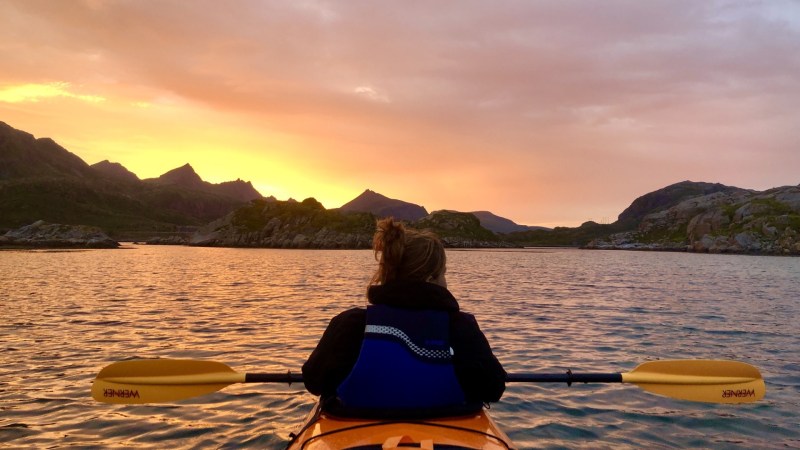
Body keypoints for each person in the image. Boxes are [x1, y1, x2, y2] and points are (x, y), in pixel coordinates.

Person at [302, 217, 506, 417]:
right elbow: (493, 389)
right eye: (443, 274)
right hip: (450, 431)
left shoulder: (350, 325)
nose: (446, 282)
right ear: (430, 279)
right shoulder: (461, 328)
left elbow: (313, 381)